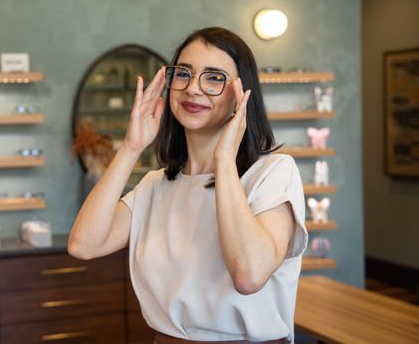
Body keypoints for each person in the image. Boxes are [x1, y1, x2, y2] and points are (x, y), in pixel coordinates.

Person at [68, 27, 308, 344]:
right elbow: (83, 244)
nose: (193, 89)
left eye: (214, 77)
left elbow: (249, 275)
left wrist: (224, 160)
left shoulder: (273, 173)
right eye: (183, 74)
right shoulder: (155, 186)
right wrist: (130, 147)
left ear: (241, 94)